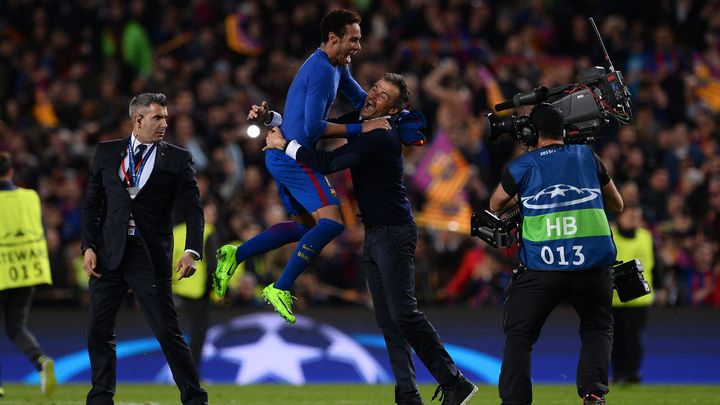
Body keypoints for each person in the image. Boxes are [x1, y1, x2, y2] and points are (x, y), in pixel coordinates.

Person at [264, 73, 477, 405]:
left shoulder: (381, 136)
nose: (372, 97)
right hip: (377, 232)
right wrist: (273, 120)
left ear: (393, 109)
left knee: (404, 314)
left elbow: (329, 162)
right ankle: (407, 394)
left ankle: (454, 380)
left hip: (394, 232)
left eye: (383, 96)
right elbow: (320, 127)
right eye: (374, 90)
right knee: (389, 321)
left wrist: (284, 146)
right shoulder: (364, 123)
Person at [213, 9, 388, 324]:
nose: (358, 47)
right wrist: (362, 129)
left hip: (284, 155)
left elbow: (362, 103)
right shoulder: (321, 71)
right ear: (333, 39)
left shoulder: (336, 66)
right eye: (354, 40)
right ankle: (280, 287)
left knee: (307, 227)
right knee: (332, 223)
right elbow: (313, 127)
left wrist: (392, 111)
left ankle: (235, 254)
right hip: (293, 156)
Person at [489, 103, 624, 405]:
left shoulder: (523, 165)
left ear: (530, 133)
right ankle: (593, 394)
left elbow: (495, 203)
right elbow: (617, 205)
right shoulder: (587, 156)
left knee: (519, 336)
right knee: (597, 327)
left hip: (543, 266)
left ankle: (515, 401)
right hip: (592, 266)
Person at [81, 93, 208, 405]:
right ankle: (100, 398)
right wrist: (88, 246)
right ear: (137, 120)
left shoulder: (177, 159)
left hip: (149, 256)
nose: (165, 123)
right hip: (109, 254)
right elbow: (92, 205)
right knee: (99, 331)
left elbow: (193, 210)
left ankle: (195, 399)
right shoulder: (107, 153)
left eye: (165, 117)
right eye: (158, 118)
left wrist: (192, 250)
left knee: (167, 332)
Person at [0, 152, 57, 397]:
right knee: (16, 328)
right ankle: (41, 361)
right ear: (10, 171)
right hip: (27, 272)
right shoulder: (31, 197)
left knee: (15, 327)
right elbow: (41, 230)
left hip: (2, 273)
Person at [172, 199, 221, 377]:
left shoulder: (176, 232)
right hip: (197, 291)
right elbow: (213, 265)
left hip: (177, 288)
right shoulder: (208, 231)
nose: (213, 216)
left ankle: (181, 371)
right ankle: (191, 374)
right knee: (198, 333)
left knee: (176, 333)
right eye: (210, 212)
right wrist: (218, 292)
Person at [610, 185, 655, 384]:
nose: (634, 219)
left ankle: (633, 373)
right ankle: (619, 374)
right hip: (613, 298)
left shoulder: (646, 237)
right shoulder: (609, 234)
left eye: (637, 216)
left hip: (638, 299)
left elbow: (651, 265)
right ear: (620, 216)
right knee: (614, 341)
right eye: (630, 216)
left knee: (633, 340)